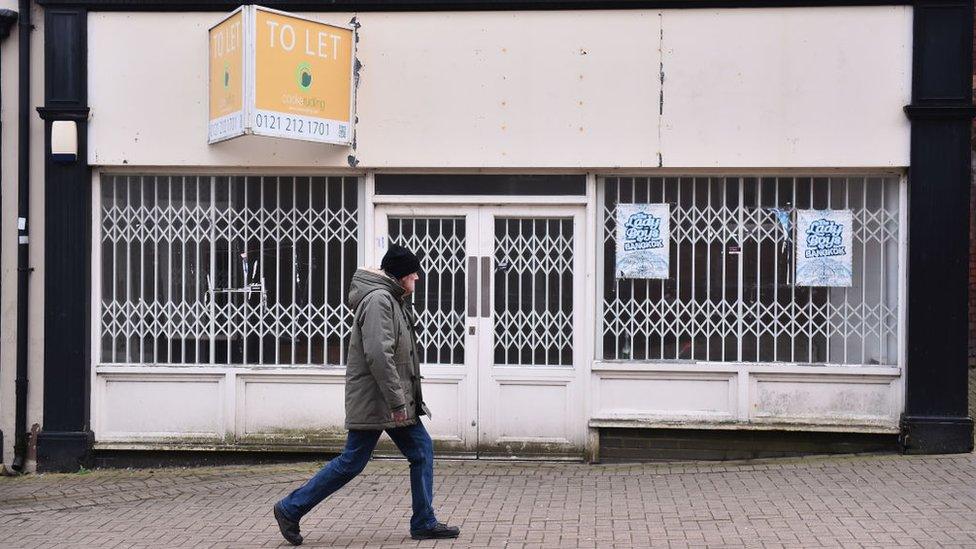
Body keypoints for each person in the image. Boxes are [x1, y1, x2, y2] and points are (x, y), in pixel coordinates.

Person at [272, 244, 461, 546]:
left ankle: (424, 521)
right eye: (413, 272)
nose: (417, 277)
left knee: (421, 450)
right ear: (401, 276)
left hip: (386, 398)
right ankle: (290, 508)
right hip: (379, 400)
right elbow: (378, 355)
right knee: (353, 462)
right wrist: (398, 401)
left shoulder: (393, 299)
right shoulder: (378, 301)